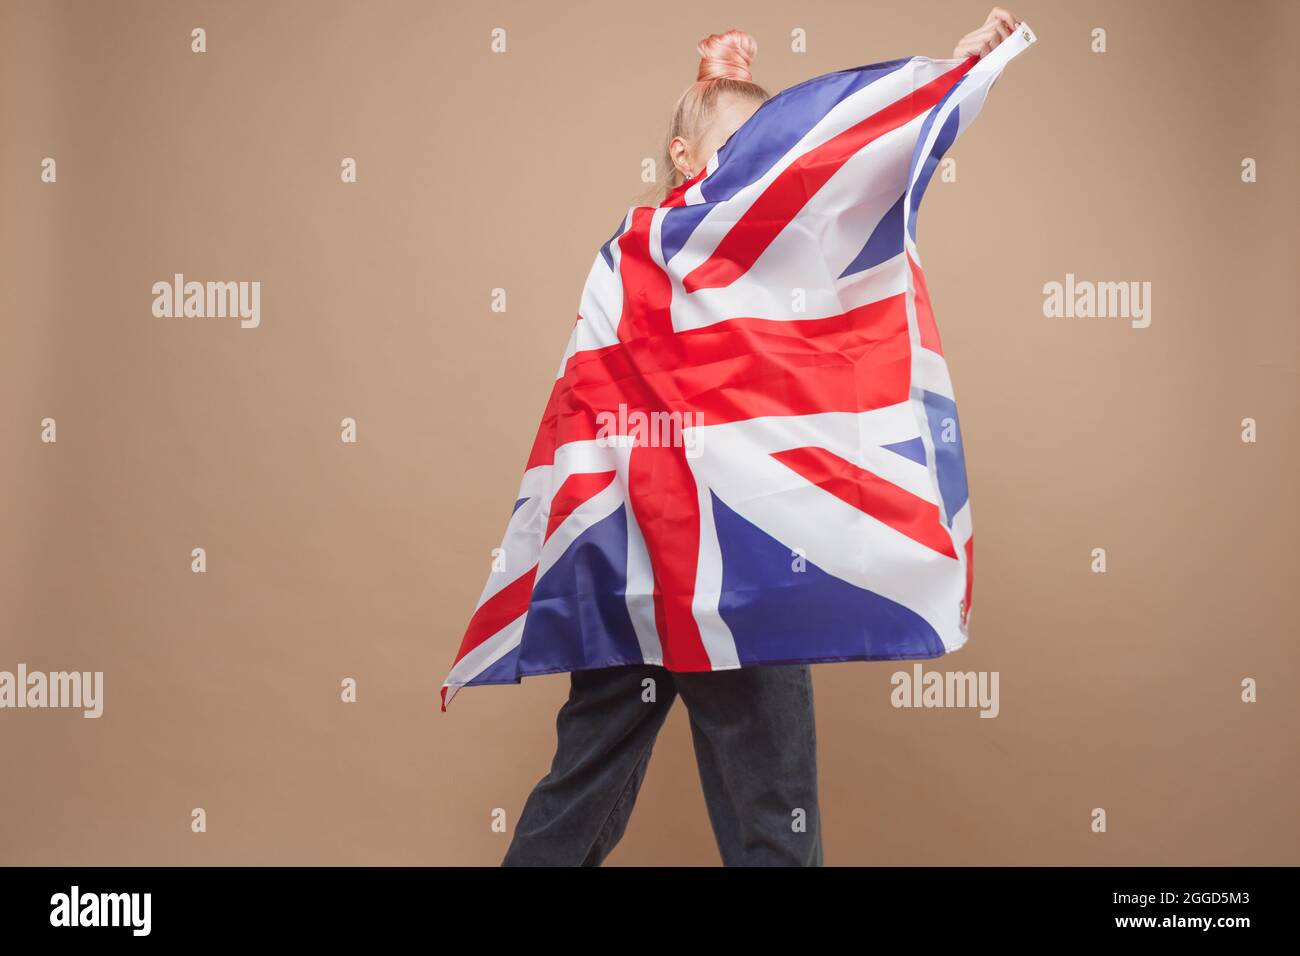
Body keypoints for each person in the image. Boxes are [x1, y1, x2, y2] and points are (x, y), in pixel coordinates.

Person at [501, 8, 1021, 868]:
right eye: (735, 149)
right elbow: (584, 412)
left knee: (769, 807)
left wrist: (954, 77)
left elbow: (866, 168)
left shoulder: (783, 256)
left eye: (769, 152)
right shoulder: (630, 260)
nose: (758, 170)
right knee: (588, 787)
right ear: (681, 154)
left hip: (748, 563)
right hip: (652, 567)